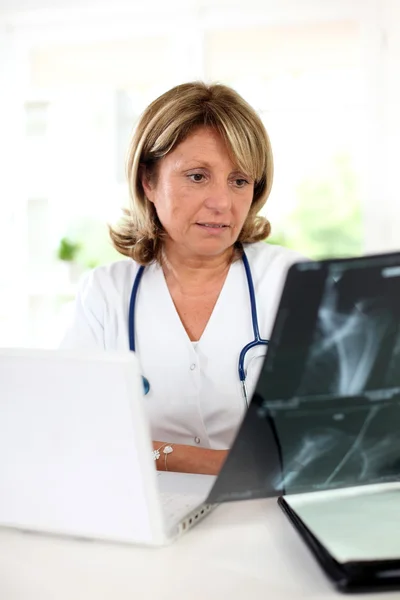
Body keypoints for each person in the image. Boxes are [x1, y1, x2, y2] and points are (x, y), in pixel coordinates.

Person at [61, 81, 303, 476]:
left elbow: (326, 436)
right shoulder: (106, 294)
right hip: (144, 514)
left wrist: (153, 451)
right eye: (197, 176)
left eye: (239, 180)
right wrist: (218, 464)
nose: (222, 202)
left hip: (269, 513)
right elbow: (75, 432)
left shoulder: (293, 282)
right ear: (148, 182)